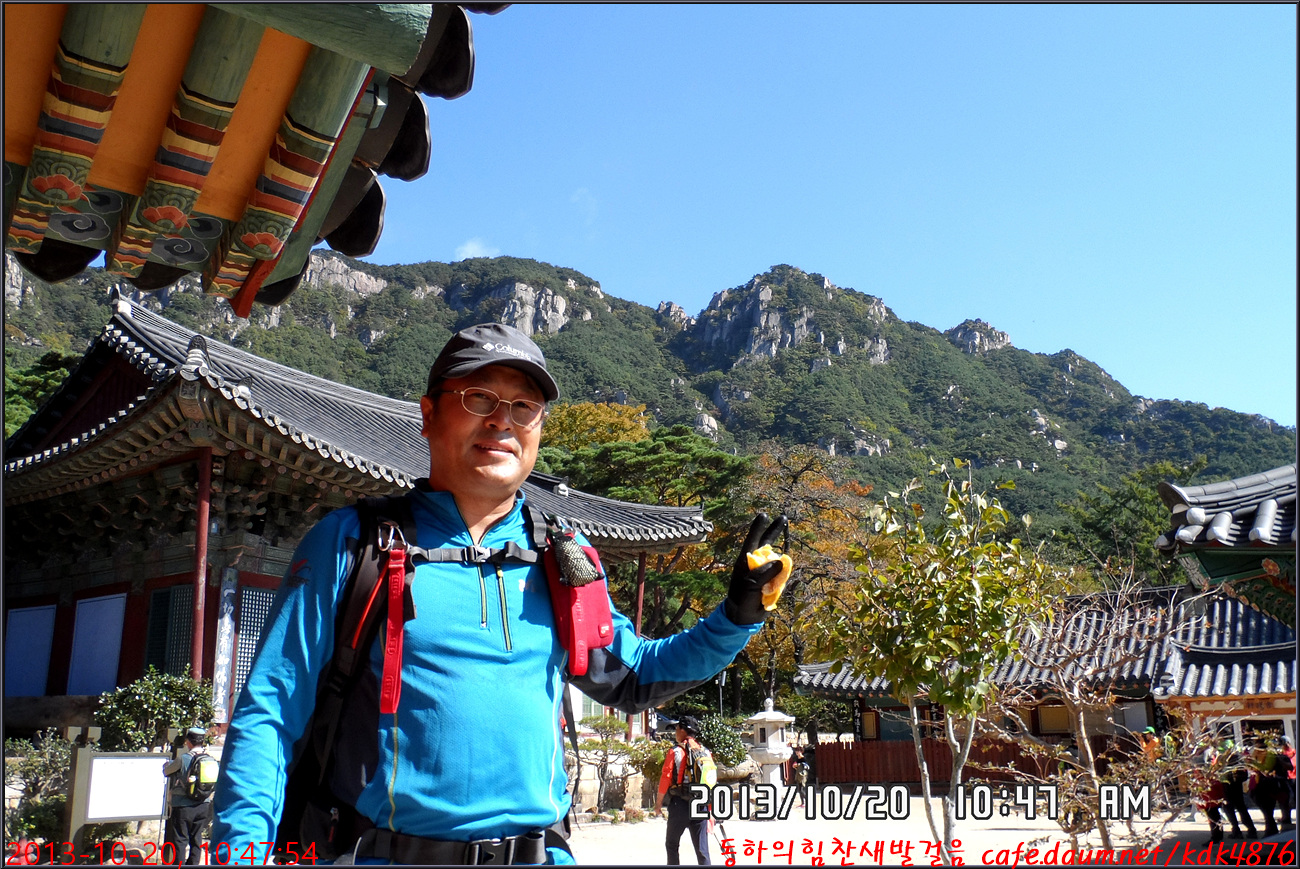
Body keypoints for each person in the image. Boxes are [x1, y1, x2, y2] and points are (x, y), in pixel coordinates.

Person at [211, 323, 788, 865]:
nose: (501, 422)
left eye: (523, 407)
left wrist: (736, 617)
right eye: (478, 399)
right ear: (429, 415)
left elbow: (634, 677)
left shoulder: (563, 559)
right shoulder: (354, 543)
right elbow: (271, 710)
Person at [655, 716, 712, 865]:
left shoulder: (675, 752)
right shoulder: (706, 752)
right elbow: (711, 781)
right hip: (700, 804)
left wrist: (658, 803)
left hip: (679, 804)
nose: (675, 732)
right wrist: (710, 808)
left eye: (677, 728)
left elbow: (666, 778)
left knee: (672, 844)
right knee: (702, 850)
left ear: (682, 730)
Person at [162, 727, 214, 865]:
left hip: (183, 806)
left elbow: (167, 772)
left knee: (180, 840)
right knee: (196, 838)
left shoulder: (183, 759)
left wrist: (167, 765)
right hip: (203, 804)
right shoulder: (210, 759)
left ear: (188, 742)